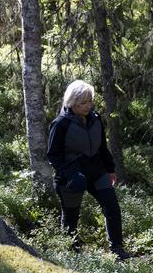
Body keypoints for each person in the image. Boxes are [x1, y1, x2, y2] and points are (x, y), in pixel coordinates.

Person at [46, 80, 130, 261]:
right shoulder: (60, 124)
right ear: (72, 102)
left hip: (97, 171)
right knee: (71, 214)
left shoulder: (96, 118)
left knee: (112, 207)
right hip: (72, 175)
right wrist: (69, 174)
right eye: (83, 102)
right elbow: (53, 155)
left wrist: (110, 169)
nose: (88, 105)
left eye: (90, 101)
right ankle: (72, 251)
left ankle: (118, 250)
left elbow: (102, 147)